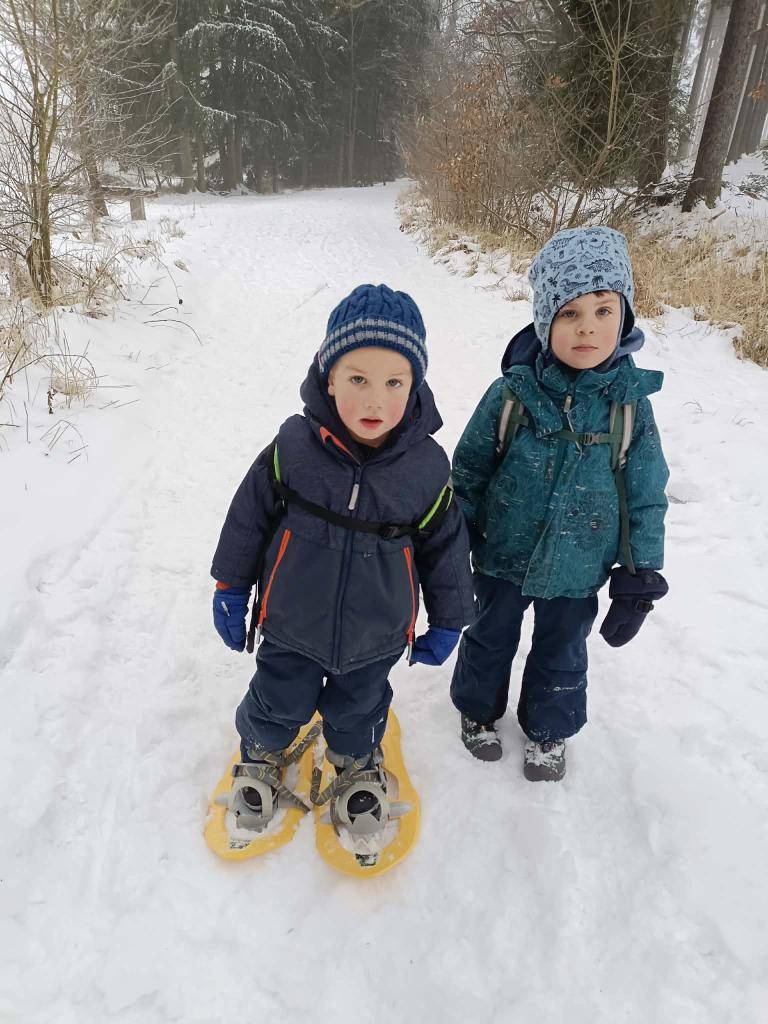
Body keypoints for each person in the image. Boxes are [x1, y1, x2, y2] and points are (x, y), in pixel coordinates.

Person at [210, 283, 474, 833]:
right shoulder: (293, 448)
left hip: (376, 630)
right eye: (357, 379)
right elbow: (248, 517)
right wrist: (230, 586)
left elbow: (446, 547)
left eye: (393, 382)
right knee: (277, 694)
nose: (374, 400)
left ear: (415, 386)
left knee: (359, 706)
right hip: (290, 620)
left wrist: (451, 618)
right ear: (329, 378)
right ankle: (260, 752)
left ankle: (355, 763)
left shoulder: (426, 471)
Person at [450, 226, 669, 781]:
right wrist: (452, 544)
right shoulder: (512, 394)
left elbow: (645, 493)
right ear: (545, 322)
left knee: (562, 651)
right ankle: (478, 711)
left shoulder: (628, 408)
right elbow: (470, 470)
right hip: (501, 556)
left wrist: (640, 576)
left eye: (603, 309)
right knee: (488, 636)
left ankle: (549, 730)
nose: (588, 328)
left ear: (625, 316)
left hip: (579, 566)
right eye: (569, 314)